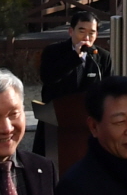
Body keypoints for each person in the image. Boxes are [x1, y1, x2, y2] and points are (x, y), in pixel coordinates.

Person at [40, 12, 111, 175]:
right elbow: (48, 78)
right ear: (71, 31)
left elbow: (108, 88)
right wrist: (74, 57)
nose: (86, 37)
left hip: (88, 124)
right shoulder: (53, 52)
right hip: (56, 123)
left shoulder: (102, 57)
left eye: (91, 32)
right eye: (81, 31)